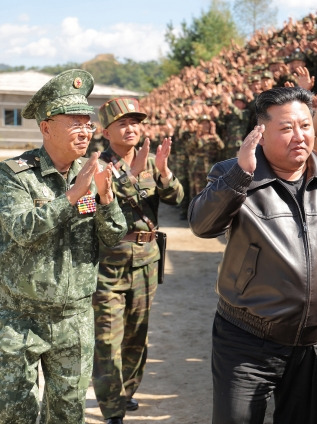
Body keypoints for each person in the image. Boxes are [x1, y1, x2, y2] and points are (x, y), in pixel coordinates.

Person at [188, 87, 317, 424]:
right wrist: (240, 174)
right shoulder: (233, 173)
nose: (299, 136)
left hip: (316, 341)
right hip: (246, 338)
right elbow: (202, 224)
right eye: (286, 128)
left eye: (306, 125)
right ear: (260, 133)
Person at [0, 69, 127, 423]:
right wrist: (72, 196)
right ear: (46, 127)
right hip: (20, 318)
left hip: (74, 319)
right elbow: (23, 228)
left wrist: (103, 199)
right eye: (74, 122)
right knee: (15, 413)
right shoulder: (14, 176)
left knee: (68, 414)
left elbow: (114, 235)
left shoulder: (93, 174)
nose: (85, 130)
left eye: (87, 122)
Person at [91, 98, 184, 424]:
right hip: (110, 265)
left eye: (135, 122)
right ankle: (111, 407)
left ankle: (126, 392)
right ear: (106, 131)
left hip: (146, 260)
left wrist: (163, 171)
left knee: (136, 335)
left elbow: (176, 198)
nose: (131, 128)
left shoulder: (150, 161)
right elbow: (100, 204)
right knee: (106, 339)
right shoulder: (96, 165)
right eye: (122, 123)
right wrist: (129, 175)